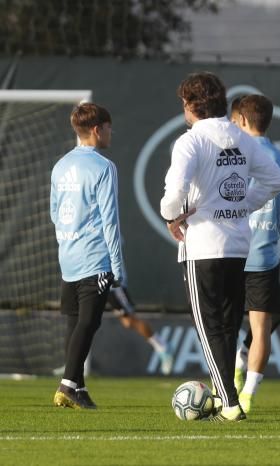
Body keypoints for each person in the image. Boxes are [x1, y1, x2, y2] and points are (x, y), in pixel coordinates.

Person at [160, 72, 280, 422]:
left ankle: (229, 402)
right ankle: (223, 395)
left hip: (202, 244)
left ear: (190, 104)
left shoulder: (191, 141)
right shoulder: (242, 138)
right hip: (238, 243)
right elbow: (274, 180)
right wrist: (242, 205)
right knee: (228, 325)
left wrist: (171, 214)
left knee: (208, 325)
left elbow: (173, 198)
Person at [50, 102, 126, 410]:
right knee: (88, 322)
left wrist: (68, 241)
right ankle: (68, 384)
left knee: (74, 322)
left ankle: (76, 387)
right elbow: (111, 221)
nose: (111, 133)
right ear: (97, 130)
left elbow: (56, 213)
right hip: (95, 257)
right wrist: (118, 268)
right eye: (108, 127)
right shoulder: (104, 167)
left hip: (68, 256)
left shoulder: (60, 165)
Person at [225, 94, 280, 414]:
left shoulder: (232, 155)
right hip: (264, 256)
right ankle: (249, 394)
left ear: (240, 121)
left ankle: (224, 384)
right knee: (262, 328)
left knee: (226, 325)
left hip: (230, 253)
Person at [106, 286, 173, 375]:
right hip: (94, 282)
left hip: (112, 285)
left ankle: (162, 346)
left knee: (130, 320)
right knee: (127, 322)